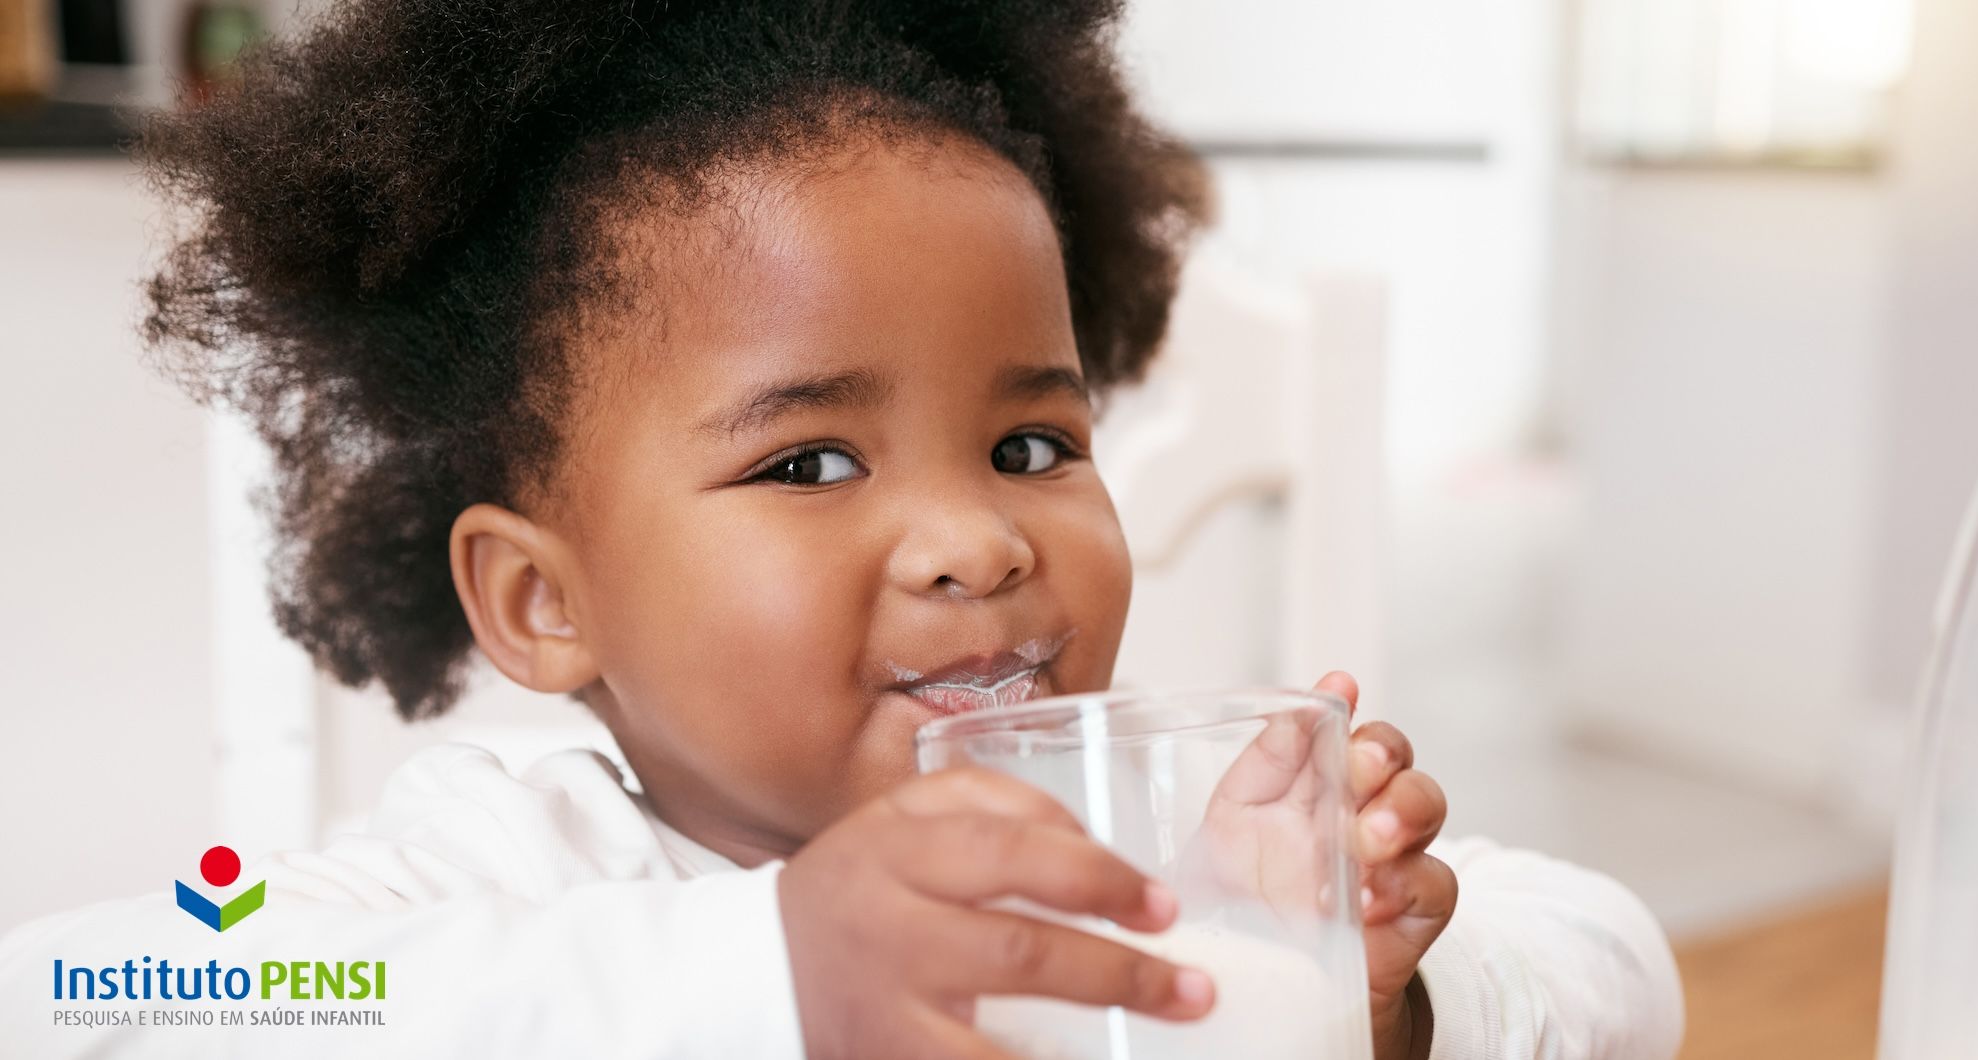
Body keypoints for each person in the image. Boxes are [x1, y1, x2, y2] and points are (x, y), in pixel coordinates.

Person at [0, 0, 1682, 1056]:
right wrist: (774, 978)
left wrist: (1360, 976)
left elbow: (1618, 959)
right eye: (808, 464)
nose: (974, 540)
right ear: (540, 600)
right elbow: (99, 1001)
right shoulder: (503, 869)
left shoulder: (1155, 855)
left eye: (1033, 439)